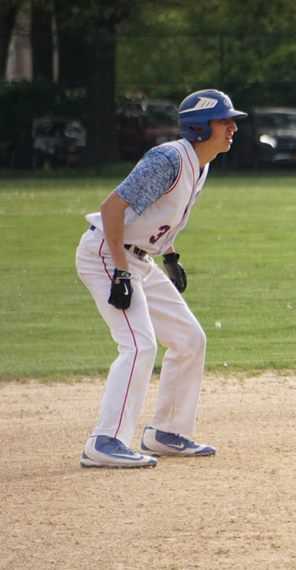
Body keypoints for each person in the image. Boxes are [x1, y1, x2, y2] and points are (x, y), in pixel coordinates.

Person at [75, 89, 247, 468]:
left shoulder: (201, 164)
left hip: (139, 260)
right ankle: (105, 441)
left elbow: (162, 215)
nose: (233, 127)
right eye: (225, 120)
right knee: (139, 345)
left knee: (189, 339)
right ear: (201, 127)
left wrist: (169, 255)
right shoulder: (168, 159)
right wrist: (120, 268)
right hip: (106, 254)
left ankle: (165, 431)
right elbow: (112, 208)